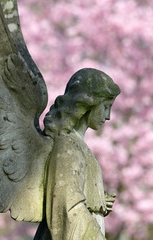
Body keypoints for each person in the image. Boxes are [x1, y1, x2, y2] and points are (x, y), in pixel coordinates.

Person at [34, 68, 121, 240]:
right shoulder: (67, 146)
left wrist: (97, 200)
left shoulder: (78, 146)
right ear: (89, 103)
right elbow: (68, 209)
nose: (108, 116)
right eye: (105, 107)